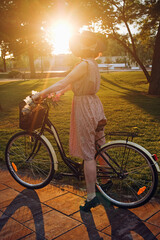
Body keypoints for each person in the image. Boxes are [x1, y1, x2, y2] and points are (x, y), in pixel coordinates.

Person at [32, 31, 107, 212]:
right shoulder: (93, 64)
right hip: (95, 105)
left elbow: (64, 80)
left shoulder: (83, 64)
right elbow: (72, 84)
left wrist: (40, 94)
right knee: (99, 145)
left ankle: (91, 197)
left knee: (89, 154)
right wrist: (59, 93)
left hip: (85, 107)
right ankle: (106, 181)